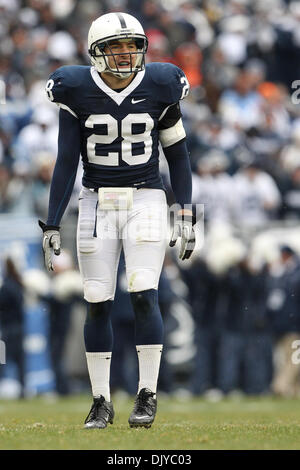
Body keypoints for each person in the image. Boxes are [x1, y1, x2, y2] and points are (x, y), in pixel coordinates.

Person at [39, 12, 195, 429]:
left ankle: (147, 393)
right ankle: (100, 400)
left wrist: (185, 211)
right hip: (95, 201)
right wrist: (52, 222)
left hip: (145, 198)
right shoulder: (75, 88)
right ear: (96, 52)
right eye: (115, 47)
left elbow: (178, 155)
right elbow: (66, 160)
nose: (126, 54)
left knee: (145, 291)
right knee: (96, 301)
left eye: (132, 46)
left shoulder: (162, 84)